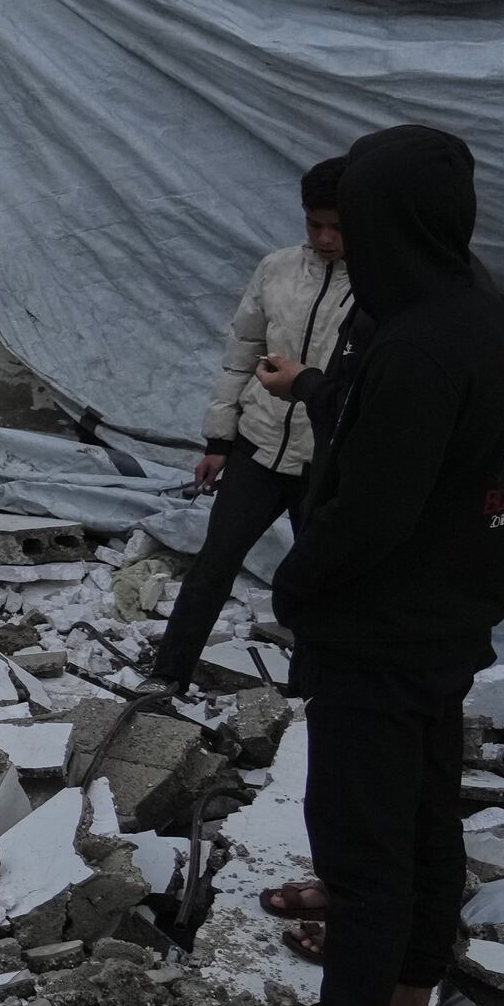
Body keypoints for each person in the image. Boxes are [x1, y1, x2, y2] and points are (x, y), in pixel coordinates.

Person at [189, 125, 504, 1006]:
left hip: (381, 629)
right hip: (449, 616)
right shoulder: (496, 328)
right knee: (426, 828)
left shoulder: (421, 345)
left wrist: (299, 583)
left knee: (362, 849)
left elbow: (369, 513)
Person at [151, 157, 352, 689]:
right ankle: (166, 676)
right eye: (316, 224)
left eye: (339, 225)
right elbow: (241, 354)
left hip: (327, 461)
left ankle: (313, 695)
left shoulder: (378, 290)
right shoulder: (277, 269)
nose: (327, 237)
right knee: (213, 564)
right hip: (258, 449)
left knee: (319, 582)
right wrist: (219, 439)